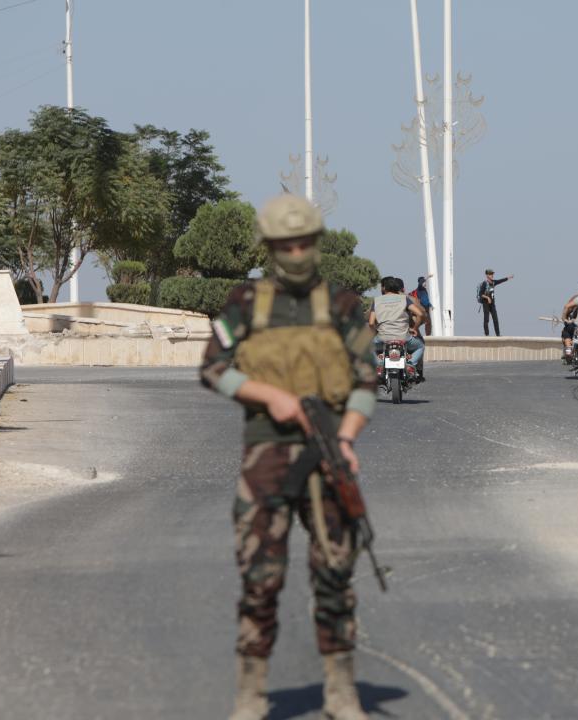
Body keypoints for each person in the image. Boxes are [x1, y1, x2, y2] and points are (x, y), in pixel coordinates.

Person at [200, 194, 377, 720]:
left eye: (304, 243)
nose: (296, 253)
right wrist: (269, 396)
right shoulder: (246, 302)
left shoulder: (341, 305)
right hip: (268, 457)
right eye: (286, 245)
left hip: (328, 454)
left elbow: (366, 379)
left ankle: (341, 692)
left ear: (315, 243)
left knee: (336, 574)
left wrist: (346, 438)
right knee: (260, 577)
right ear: (270, 248)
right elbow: (213, 368)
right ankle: (251, 694)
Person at [369, 276, 426, 381]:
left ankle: (379, 364)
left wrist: (376, 331)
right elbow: (420, 314)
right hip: (403, 338)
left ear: (384, 287)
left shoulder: (376, 300)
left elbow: (371, 322)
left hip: (383, 338)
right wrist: (415, 328)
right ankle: (410, 364)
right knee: (420, 346)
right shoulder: (404, 299)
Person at [476, 269, 513, 336]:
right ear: (487, 275)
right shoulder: (484, 283)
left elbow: (500, 281)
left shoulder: (493, 282)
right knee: (486, 319)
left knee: (495, 319)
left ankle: (498, 334)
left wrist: (508, 278)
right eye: (490, 274)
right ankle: (487, 334)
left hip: (492, 304)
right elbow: (481, 294)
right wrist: (487, 298)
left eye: (492, 274)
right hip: (485, 303)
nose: (492, 275)